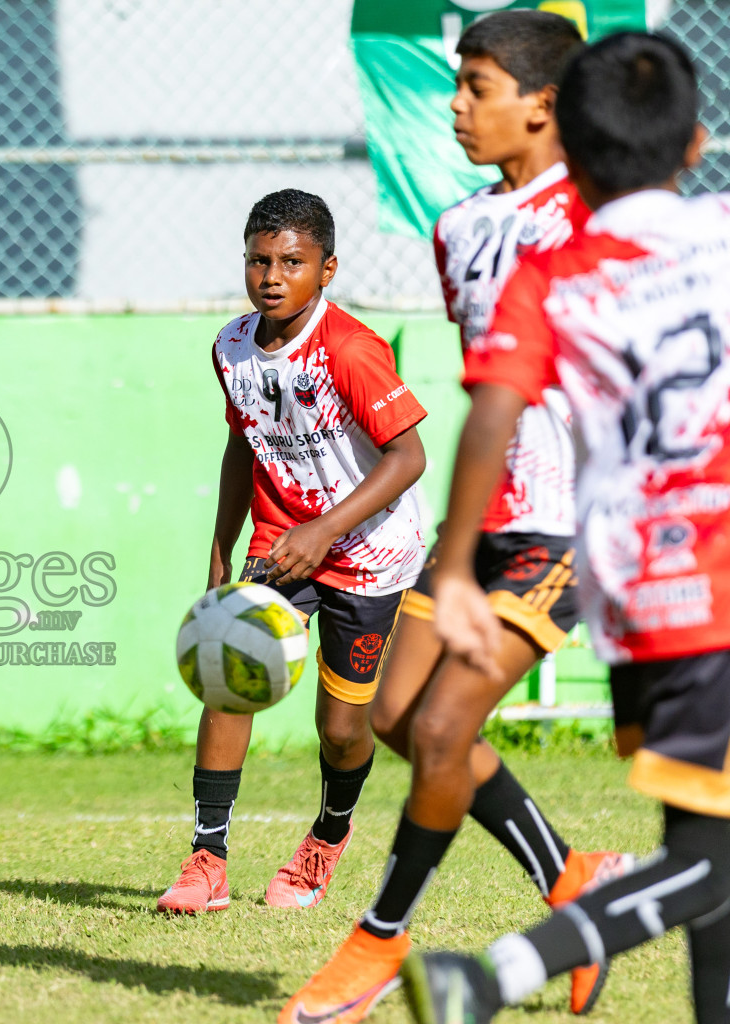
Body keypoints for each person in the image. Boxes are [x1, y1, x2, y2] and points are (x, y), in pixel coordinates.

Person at [280, 13, 628, 1023]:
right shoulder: (461, 229)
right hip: (476, 528)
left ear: (545, 105)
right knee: (392, 716)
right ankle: (574, 882)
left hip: (565, 523)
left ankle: (377, 941)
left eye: (476, 85)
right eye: (456, 82)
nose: (454, 104)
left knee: (441, 725)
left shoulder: (603, 217)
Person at [396, 33, 730, 1024]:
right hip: (719, 579)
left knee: (709, 847)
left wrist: (453, 567)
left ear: (570, 154)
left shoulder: (553, 275)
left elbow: (492, 411)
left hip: (639, 600)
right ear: (697, 142)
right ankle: (493, 973)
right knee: (707, 865)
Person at [158, 189, 428, 915]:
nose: (272, 276)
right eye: (259, 260)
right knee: (228, 675)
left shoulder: (350, 350)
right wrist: (222, 553)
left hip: (371, 553)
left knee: (341, 730)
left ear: (326, 269)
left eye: (292, 262)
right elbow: (240, 447)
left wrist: (326, 531)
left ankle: (326, 838)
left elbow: (407, 458)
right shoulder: (231, 347)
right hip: (279, 543)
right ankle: (206, 860)